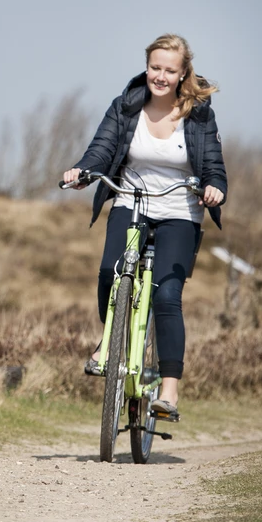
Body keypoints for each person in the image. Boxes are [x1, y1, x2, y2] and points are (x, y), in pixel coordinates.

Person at [62, 34, 226, 422]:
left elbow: (214, 165)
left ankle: (168, 392)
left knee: (166, 295)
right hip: (130, 202)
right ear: (146, 66)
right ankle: (109, 340)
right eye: (155, 67)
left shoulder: (199, 114)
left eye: (170, 70)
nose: (161, 76)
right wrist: (84, 171)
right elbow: (101, 149)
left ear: (183, 72)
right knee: (110, 272)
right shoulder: (126, 105)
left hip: (179, 211)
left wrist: (215, 187)